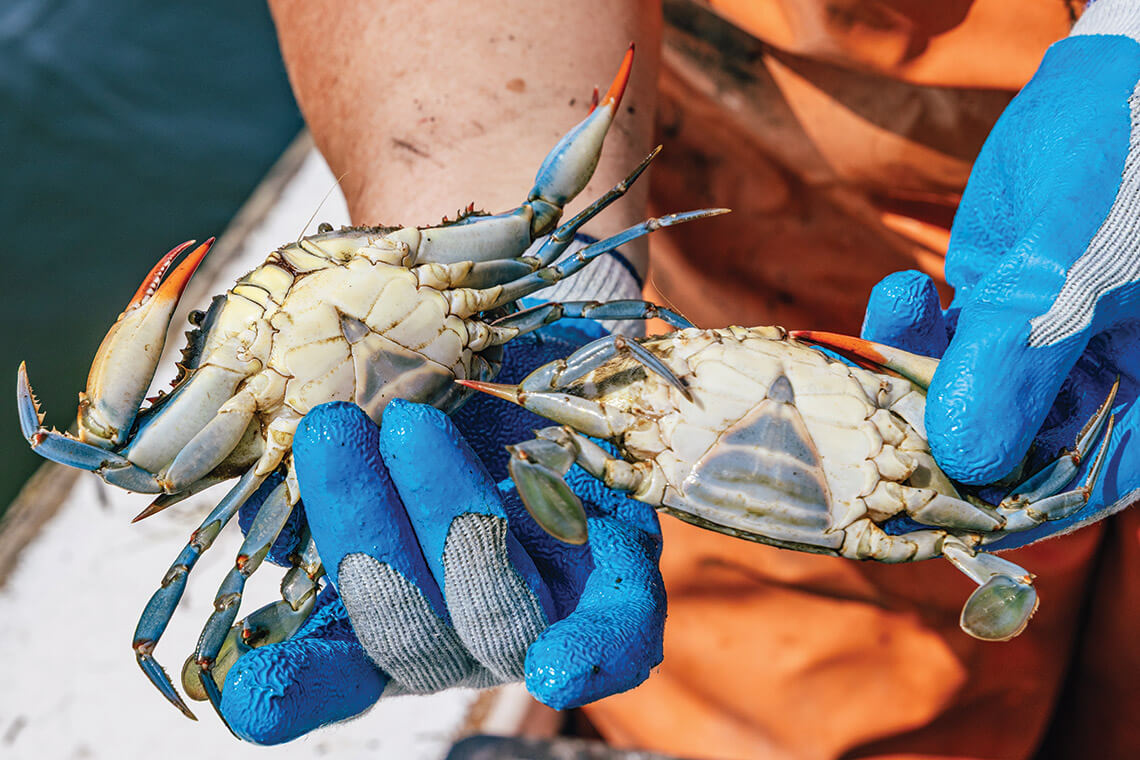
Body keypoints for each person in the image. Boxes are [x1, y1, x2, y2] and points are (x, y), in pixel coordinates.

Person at [221, 1, 1140, 757]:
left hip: (1054, 172)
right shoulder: (608, 403)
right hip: (775, 206)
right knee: (818, 687)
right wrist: (526, 287)